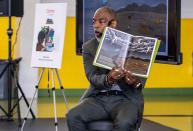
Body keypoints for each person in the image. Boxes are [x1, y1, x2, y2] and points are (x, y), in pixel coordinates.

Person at [66, 6, 147, 131]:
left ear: (113, 23)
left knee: (125, 122)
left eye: (101, 21)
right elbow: (92, 77)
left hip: (125, 99)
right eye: (94, 22)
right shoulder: (88, 47)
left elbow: (140, 81)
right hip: (98, 98)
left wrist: (135, 82)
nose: (96, 26)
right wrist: (108, 79)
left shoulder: (134, 45)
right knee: (72, 116)